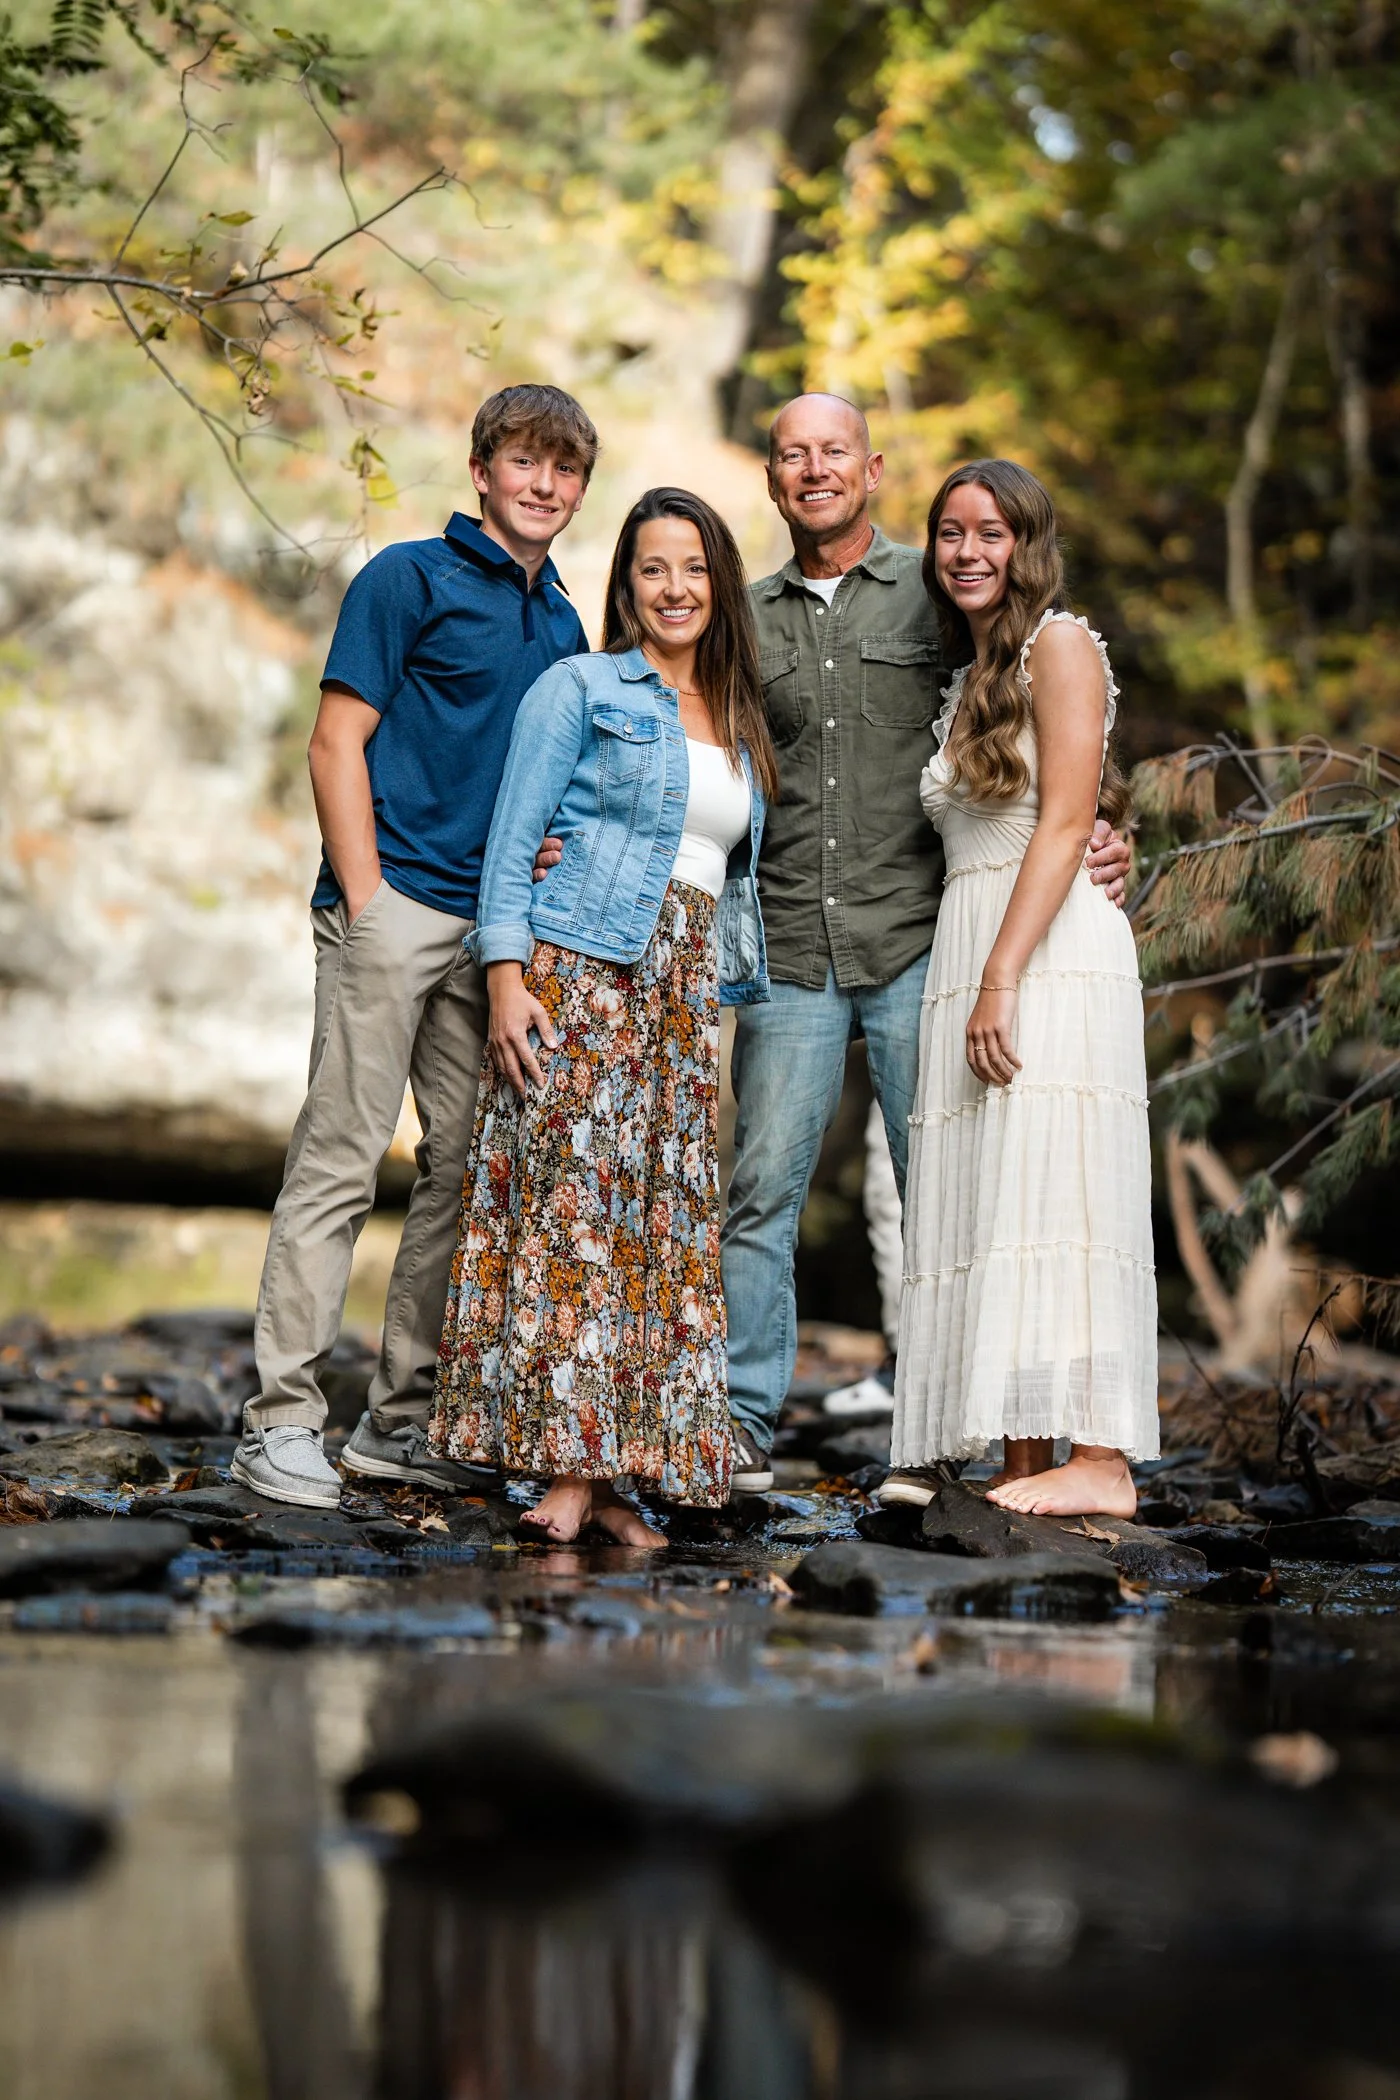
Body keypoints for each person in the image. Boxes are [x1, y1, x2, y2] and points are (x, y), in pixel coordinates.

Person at [719, 395, 1133, 1491]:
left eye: (834, 453)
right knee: (761, 1189)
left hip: (920, 946)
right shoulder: (737, 615)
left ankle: (941, 1432)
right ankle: (741, 1425)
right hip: (791, 948)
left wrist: (1107, 834)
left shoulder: (933, 593)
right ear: (770, 477)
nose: (814, 471)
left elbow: (1060, 757)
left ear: (871, 467)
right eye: (792, 455)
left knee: (953, 1185)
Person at [233, 384, 598, 1511]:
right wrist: (368, 896)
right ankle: (280, 1422)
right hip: (392, 909)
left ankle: (401, 1423)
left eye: (564, 471)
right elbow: (336, 741)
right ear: (482, 467)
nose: (542, 486)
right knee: (339, 1158)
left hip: (492, 935)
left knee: (462, 1169)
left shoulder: (564, 622)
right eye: (523, 463)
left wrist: (538, 868)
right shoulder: (407, 577)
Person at [429, 488, 776, 1545]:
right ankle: (564, 1477)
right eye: (651, 570)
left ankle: (619, 1474)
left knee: (648, 1229)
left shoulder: (738, 715)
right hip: (579, 969)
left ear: (718, 585)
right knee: (568, 1219)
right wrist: (503, 975)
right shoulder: (578, 686)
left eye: (693, 570)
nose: (673, 589)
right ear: (625, 586)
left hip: (680, 999)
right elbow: (513, 836)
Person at [878, 460, 1158, 1517]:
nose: (963, 552)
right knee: (1001, 1192)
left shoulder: (1061, 645)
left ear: (1025, 544)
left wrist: (1001, 973)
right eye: (947, 533)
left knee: (1063, 1185)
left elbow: (1061, 817)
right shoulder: (970, 679)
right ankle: (1018, 1453)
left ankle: (1102, 1457)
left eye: (987, 533)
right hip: (973, 948)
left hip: (1041, 957)